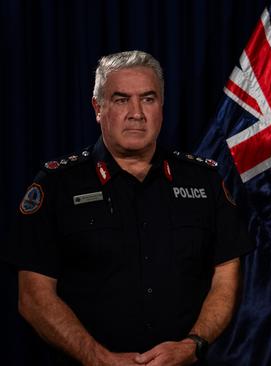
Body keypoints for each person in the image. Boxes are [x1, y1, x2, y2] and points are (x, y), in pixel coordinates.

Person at [3, 50, 253, 365]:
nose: (136, 113)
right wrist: (98, 358)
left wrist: (193, 344)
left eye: (148, 99)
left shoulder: (204, 181)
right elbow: (33, 297)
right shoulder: (57, 185)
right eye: (121, 100)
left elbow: (227, 277)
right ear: (98, 108)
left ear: (162, 107)